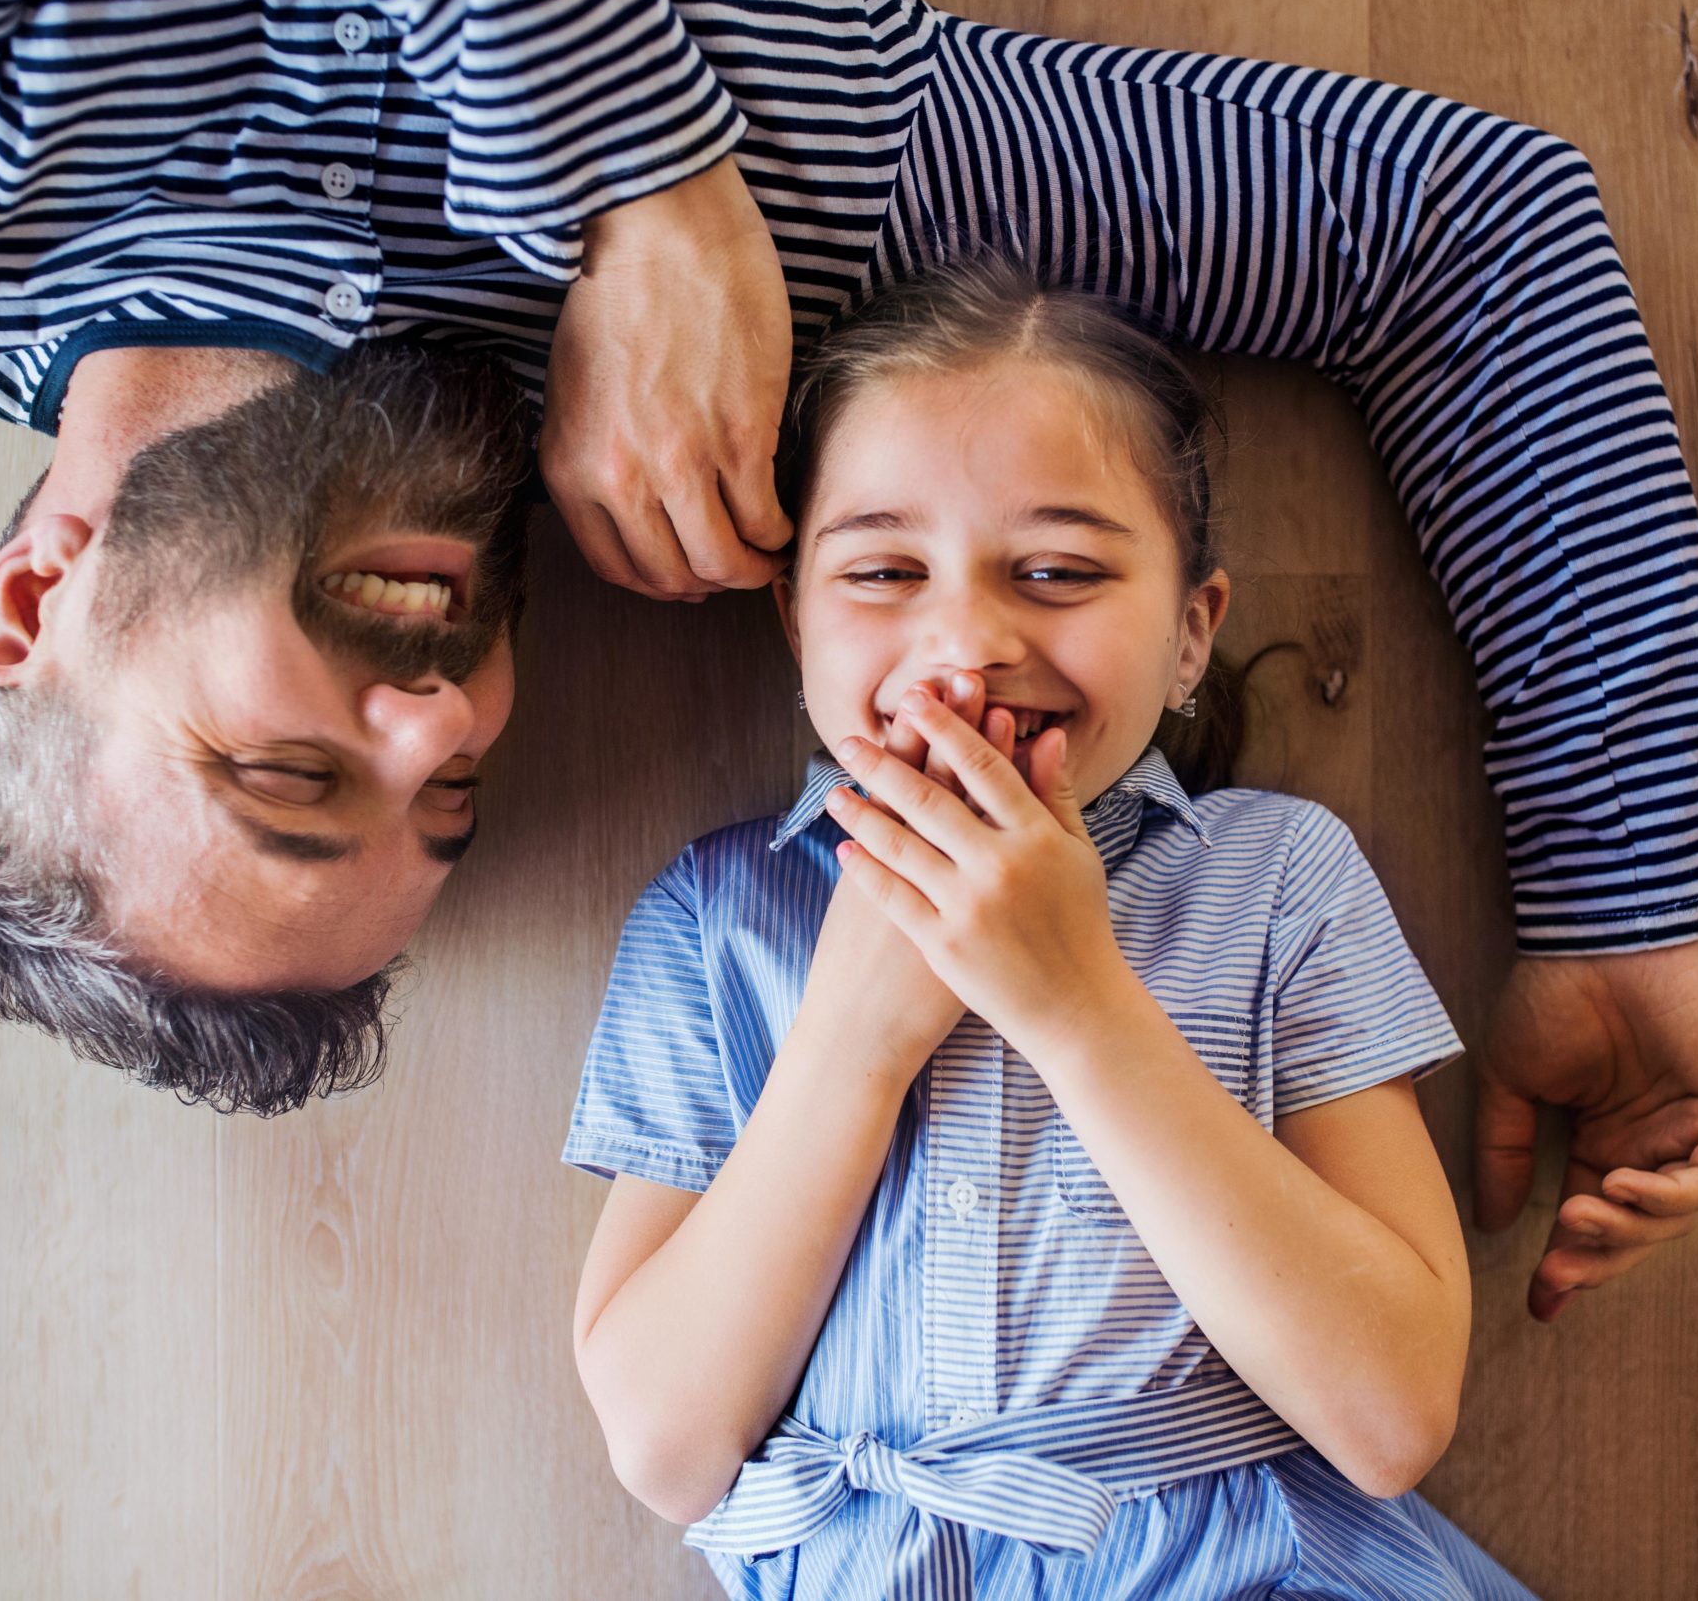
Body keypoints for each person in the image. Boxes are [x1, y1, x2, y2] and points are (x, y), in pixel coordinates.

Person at [0, 0, 1698, 1314]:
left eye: (287, 766)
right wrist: (1628, 891)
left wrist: (633, 179)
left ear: (31, 594)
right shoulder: (841, 239)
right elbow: (1449, 233)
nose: (441, 718)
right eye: (453, 802)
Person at [569, 261, 1536, 1597]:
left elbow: (1391, 1417)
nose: (964, 646)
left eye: (1059, 570)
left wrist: (1077, 1003)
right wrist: (853, 1038)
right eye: (884, 568)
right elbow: (668, 1453)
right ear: (794, 619)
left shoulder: (1278, 881)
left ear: (1192, 634)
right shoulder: (712, 923)